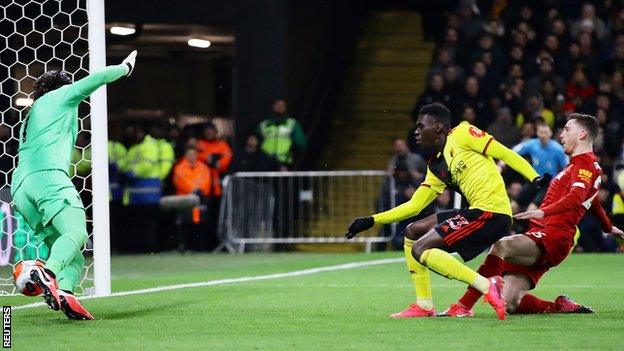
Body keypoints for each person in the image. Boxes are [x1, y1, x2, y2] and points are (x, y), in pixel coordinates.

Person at [345, 103, 547, 320]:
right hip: (475, 212)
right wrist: (371, 220)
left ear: (438, 128)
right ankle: (424, 305)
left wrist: (534, 176)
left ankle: (487, 285)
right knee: (413, 231)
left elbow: (504, 153)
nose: (416, 132)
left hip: (491, 213)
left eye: (421, 127)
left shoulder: (463, 133)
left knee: (421, 248)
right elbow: (414, 205)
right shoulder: (436, 165)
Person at [442, 114, 624, 317]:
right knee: (509, 303)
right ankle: (560, 306)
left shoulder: (585, 165)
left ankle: (463, 306)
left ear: (582, 134)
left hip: (553, 236)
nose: (561, 134)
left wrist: (543, 211)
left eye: (566, 129)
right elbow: (593, 202)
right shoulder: (580, 166)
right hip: (545, 235)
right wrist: (608, 227)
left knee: (501, 245)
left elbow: (576, 197)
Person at [11, 51, 137, 320]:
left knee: (72, 253)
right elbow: (98, 78)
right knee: (77, 232)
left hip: (21, 187)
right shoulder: (60, 97)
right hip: (48, 179)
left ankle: (65, 294)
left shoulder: (31, 115)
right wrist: (125, 68)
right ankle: (47, 272)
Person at [172, 147, 213, 251]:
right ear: (185, 156)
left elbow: (207, 180)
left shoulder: (203, 167)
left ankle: (200, 247)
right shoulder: (179, 167)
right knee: (185, 223)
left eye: (194, 154)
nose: (192, 156)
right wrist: (193, 190)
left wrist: (199, 191)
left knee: (202, 224)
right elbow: (180, 180)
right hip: (185, 200)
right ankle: (186, 246)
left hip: (200, 199)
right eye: (189, 154)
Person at [256, 99, 306, 170]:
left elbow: (301, 143)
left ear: (286, 108)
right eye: (277, 105)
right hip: (265, 163)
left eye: (282, 105)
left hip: (284, 163)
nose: (280, 107)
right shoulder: (264, 124)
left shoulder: (292, 124)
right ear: (273, 107)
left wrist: (292, 152)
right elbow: (254, 141)